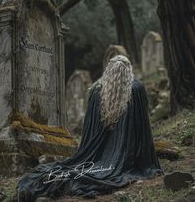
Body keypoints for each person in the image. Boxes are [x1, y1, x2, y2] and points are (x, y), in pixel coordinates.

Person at [18, 55, 162, 201]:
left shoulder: (96, 90)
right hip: (125, 158)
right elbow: (143, 129)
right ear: (129, 69)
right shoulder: (137, 88)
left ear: (108, 69)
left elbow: (89, 133)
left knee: (73, 171)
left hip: (93, 157)